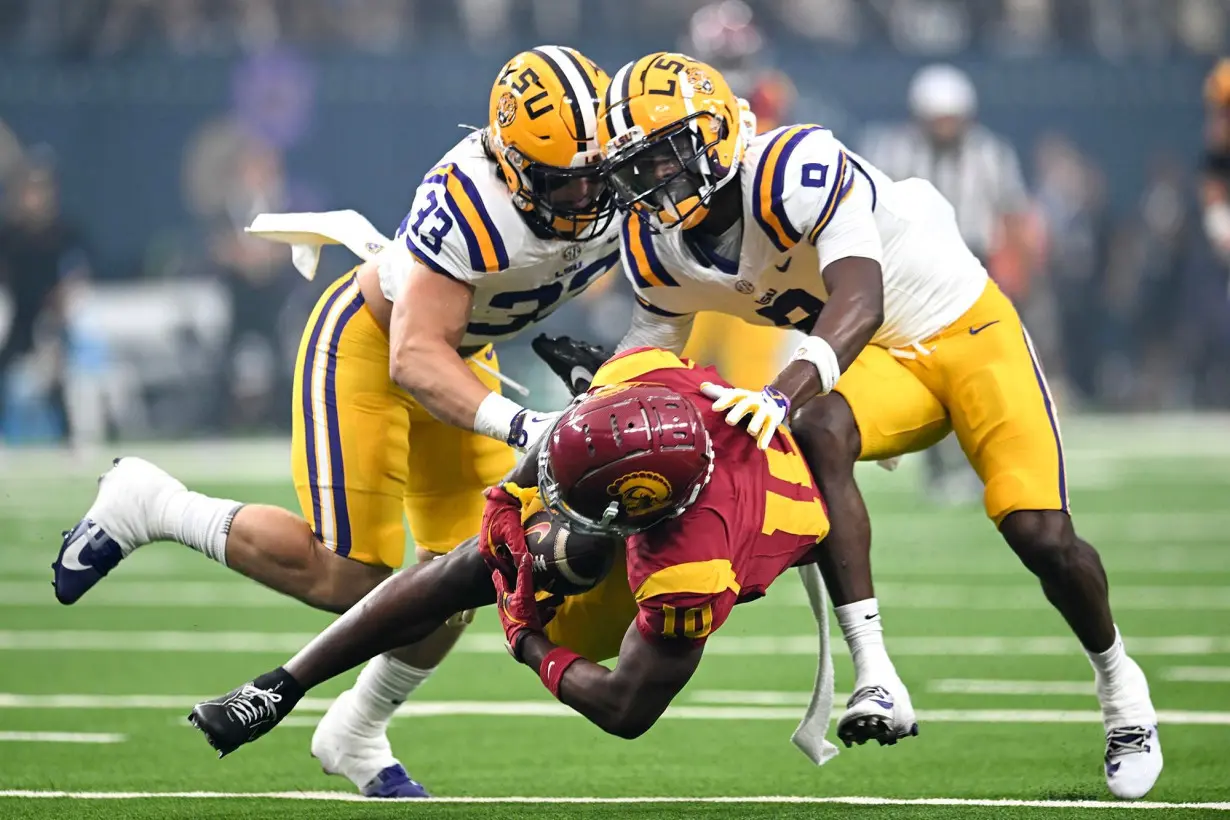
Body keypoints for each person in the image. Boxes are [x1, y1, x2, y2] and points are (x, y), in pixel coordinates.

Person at [51, 46, 621, 799]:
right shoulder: (471, 200)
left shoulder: (624, 178)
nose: (587, 192)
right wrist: (524, 427)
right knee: (348, 575)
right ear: (512, 165)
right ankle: (151, 502)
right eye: (564, 178)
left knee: (470, 569)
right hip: (376, 346)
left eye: (598, 171)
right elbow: (415, 357)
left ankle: (355, 728)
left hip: (465, 349)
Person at [597, 52, 1161, 799]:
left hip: (965, 333)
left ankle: (1122, 689)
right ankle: (878, 674)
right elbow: (644, 363)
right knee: (818, 427)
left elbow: (858, 301)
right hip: (879, 368)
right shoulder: (659, 248)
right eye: (639, 166)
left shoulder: (793, 168)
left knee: (1040, 534)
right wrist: (581, 418)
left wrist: (778, 390)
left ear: (715, 138)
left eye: (666, 156)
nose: (654, 182)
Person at [187, 345, 834, 756]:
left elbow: (626, 709)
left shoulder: (690, 568)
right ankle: (280, 688)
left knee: (561, 559)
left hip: (737, 531)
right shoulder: (645, 372)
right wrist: (508, 495)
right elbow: (567, 440)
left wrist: (529, 644)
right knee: (487, 551)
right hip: (665, 473)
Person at [860, 64, 1035, 505]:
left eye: (952, 118)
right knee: (929, 372)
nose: (946, 128)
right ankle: (937, 463)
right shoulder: (892, 150)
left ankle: (990, 462)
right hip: (911, 265)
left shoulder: (990, 155)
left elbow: (1012, 218)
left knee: (986, 374)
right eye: (938, 118)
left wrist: (1016, 275)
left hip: (972, 261)